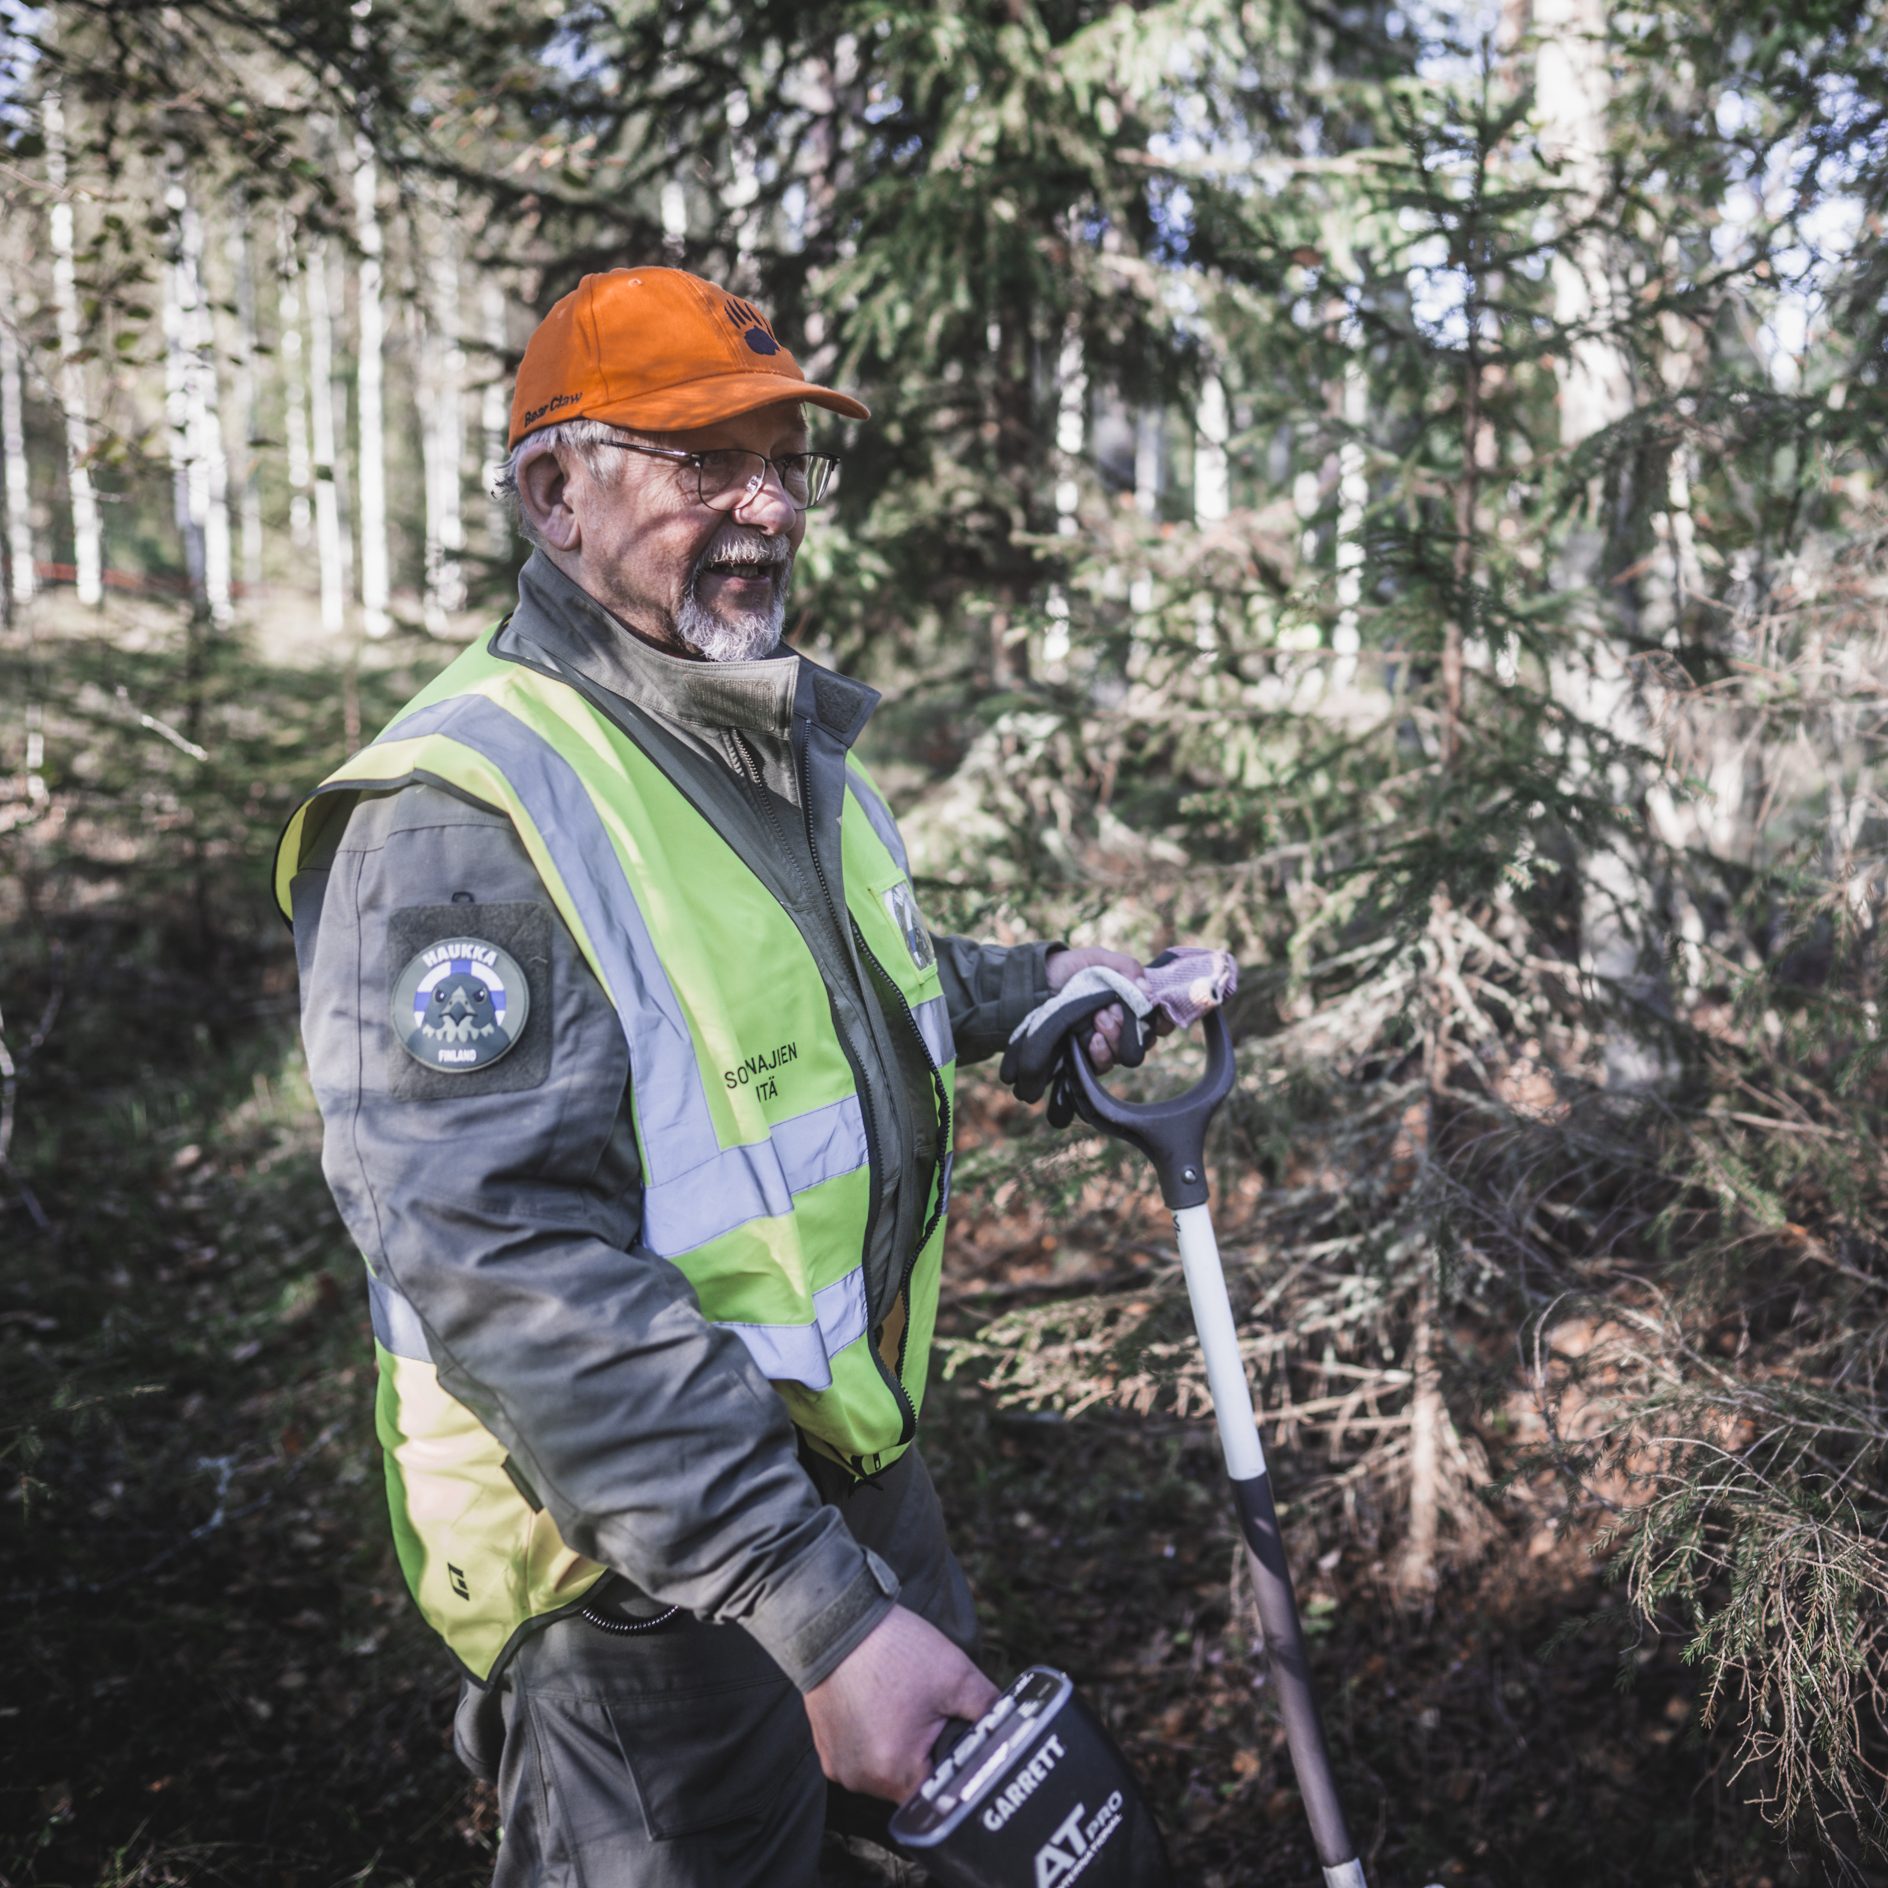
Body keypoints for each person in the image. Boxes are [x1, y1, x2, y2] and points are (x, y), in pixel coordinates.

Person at [275, 266, 1169, 1886]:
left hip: (842, 1483)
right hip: (636, 1579)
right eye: (704, 460)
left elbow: (836, 999)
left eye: (784, 459)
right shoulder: (458, 814)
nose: (764, 505)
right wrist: (816, 1616)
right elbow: (503, 1258)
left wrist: (1039, 986)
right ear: (554, 492)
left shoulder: (763, 738)